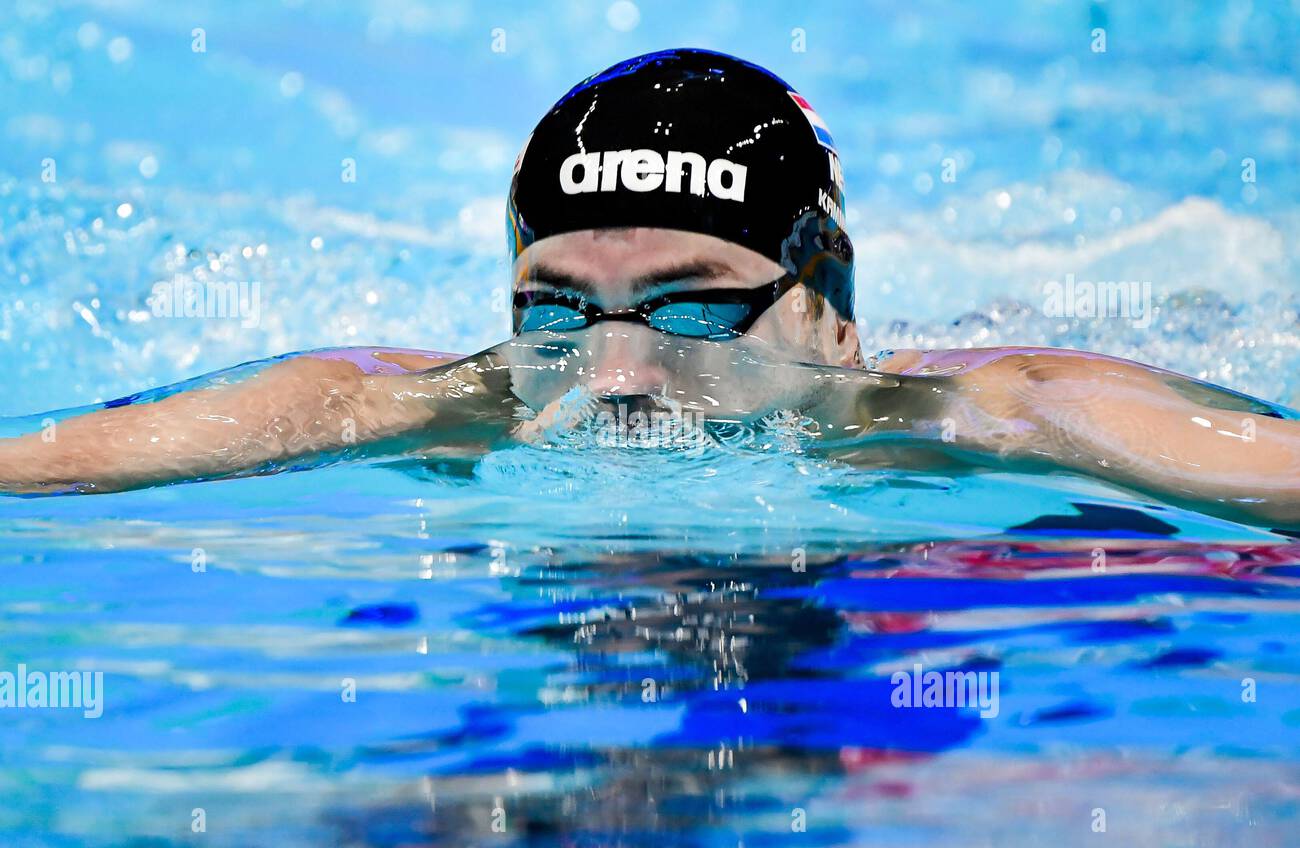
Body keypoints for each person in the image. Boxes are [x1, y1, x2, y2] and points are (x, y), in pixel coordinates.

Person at [2, 48, 1299, 529]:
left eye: (688, 308)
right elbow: (325, 400)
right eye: (557, 311)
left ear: (828, 312)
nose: (617, 376)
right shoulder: (478, 401)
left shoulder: (985, 409)